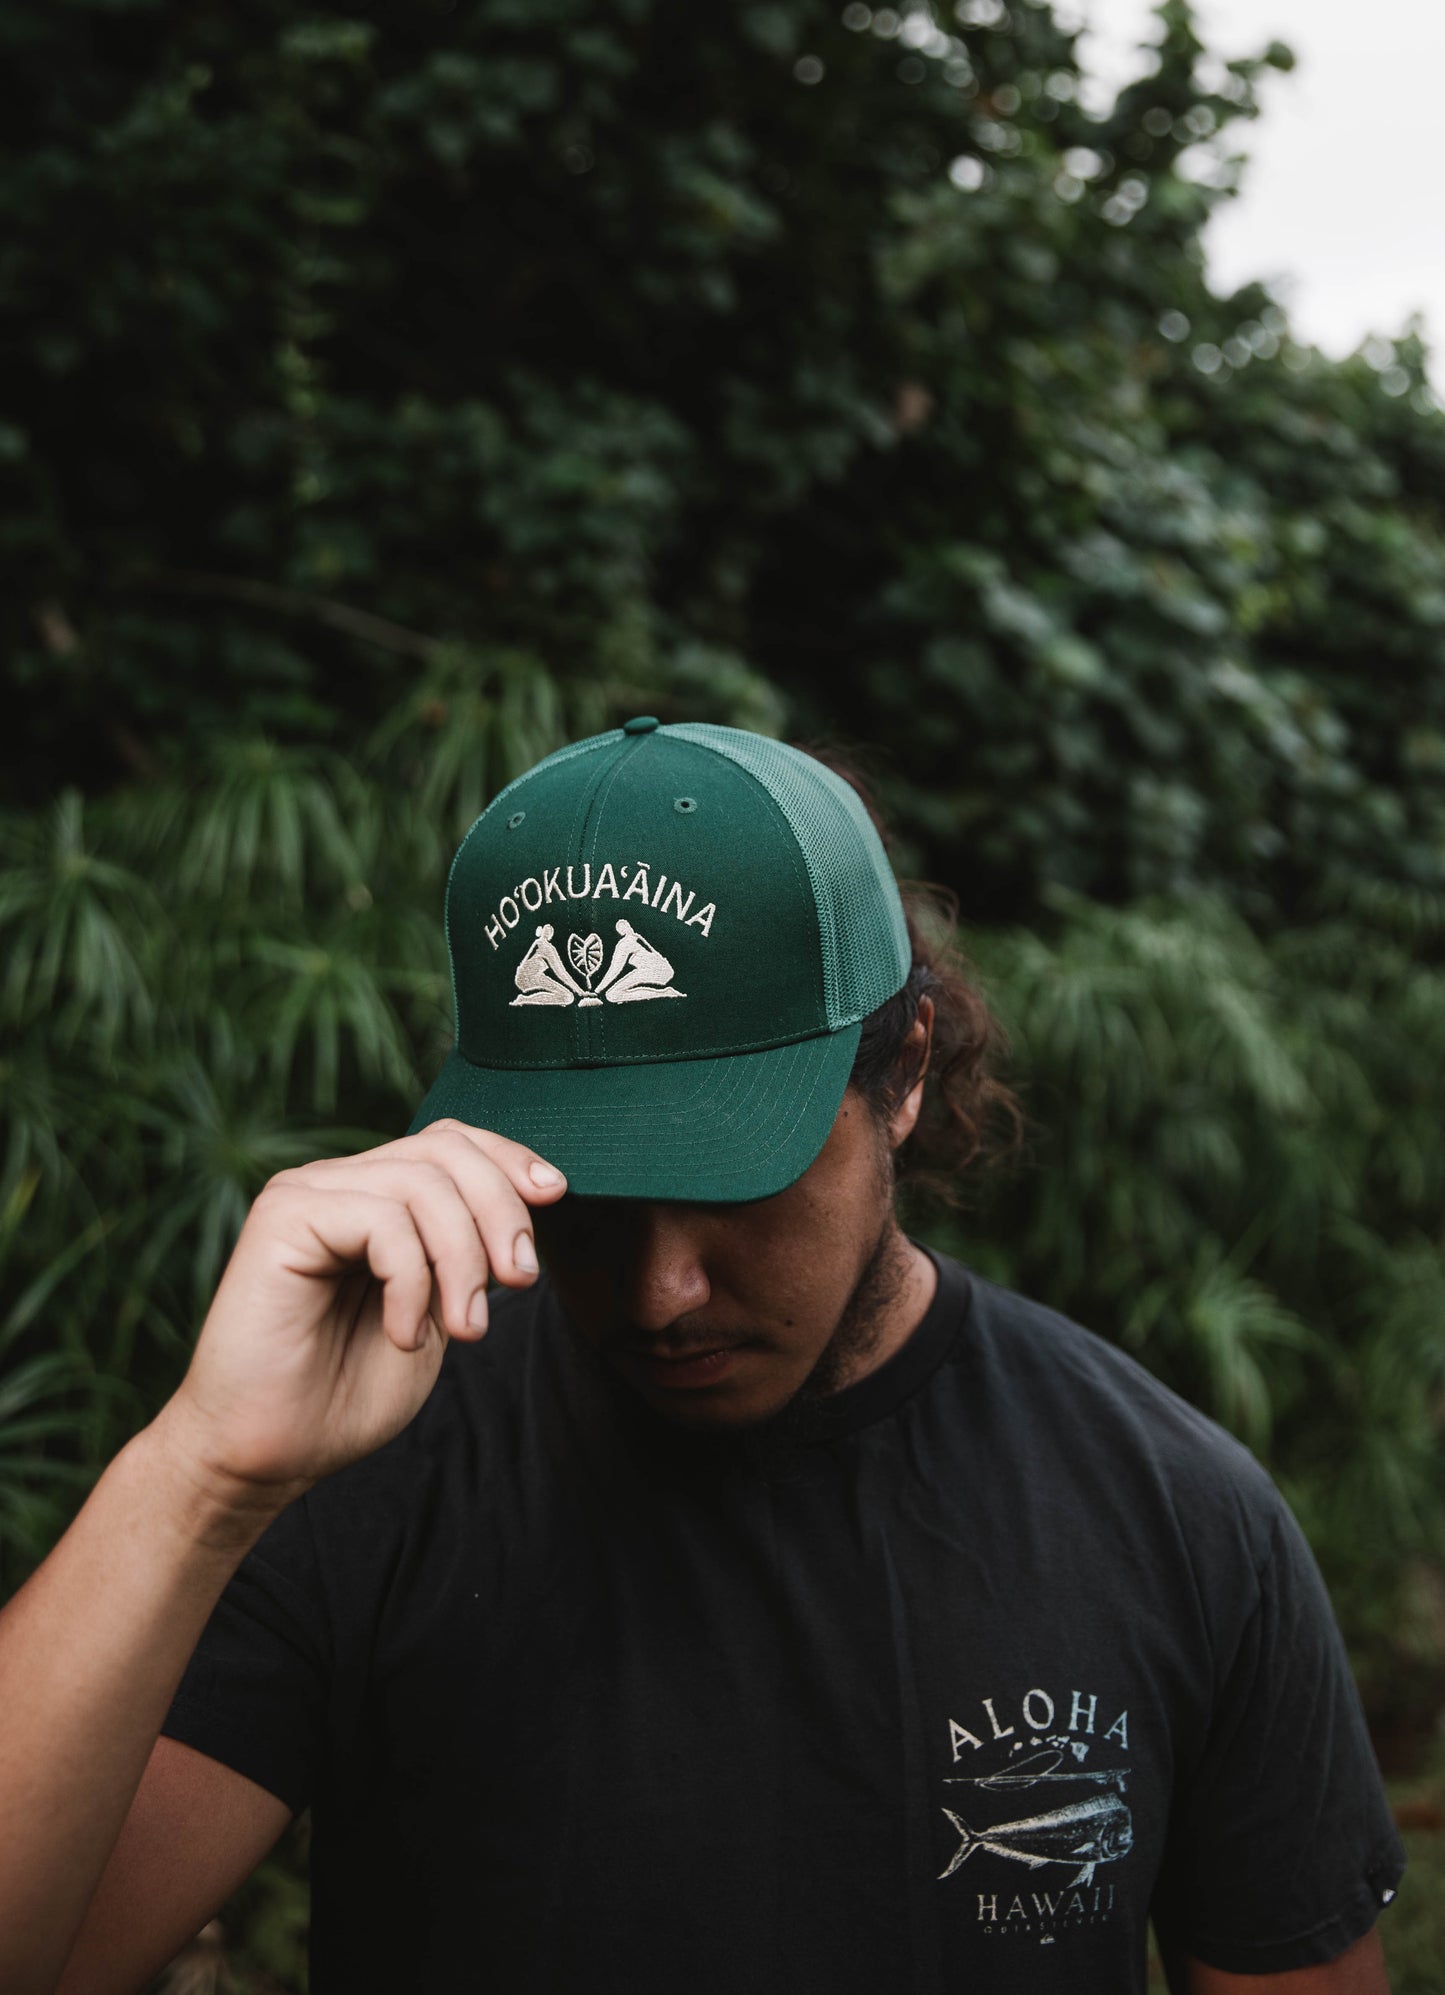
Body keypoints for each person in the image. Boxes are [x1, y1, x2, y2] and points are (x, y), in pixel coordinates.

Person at [0, 717, 1405, 1995]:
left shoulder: (1170, 1513)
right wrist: (199, 1472)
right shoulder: (372, 1467)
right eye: (588, 1197)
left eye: (737, 1181)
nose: (663, 1290)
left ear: (904, 1070)